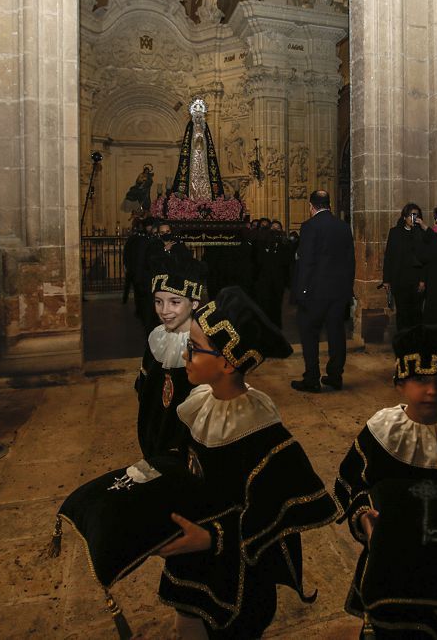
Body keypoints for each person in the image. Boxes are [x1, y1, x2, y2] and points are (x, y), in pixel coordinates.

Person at [156, 286, 339, 639]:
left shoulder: (260, 431)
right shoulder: (200, 401)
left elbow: (274, 511)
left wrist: (212, 536)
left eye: (194, 349)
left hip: (236, 573)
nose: (185, 356)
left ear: (226, 362)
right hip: (190, 559)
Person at [334, 324, 437, 638]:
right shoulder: (382, 432)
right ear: (400, 383)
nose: (431, 391)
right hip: (391, 558)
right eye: (420, 381)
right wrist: (364, 519)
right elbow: (350, 482)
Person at [134, 254, 206, 459]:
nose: (164, 311)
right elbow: (146, 390)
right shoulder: (157, 338)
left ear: (194, 303)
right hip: (155, 441)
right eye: (158, 302)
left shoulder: (204, 347)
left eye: (175, 302)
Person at [291, 190, 355, 392]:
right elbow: (350, 261)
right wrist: (348, 289)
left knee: (309, 333)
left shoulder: (310, 226)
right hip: (338, 292)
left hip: (315, 292)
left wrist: (300, 292)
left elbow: (307, 262)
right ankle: (335, 376)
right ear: (329, 205)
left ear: (312, 206)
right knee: (336, 333)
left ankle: (312, 378)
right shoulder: (343, 227)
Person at [382, 202, 427, 330]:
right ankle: (404, 343)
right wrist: (386, 279)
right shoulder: (395, 232)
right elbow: (389, 256)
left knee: (416, 314)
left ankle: (417, 344)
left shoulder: (422, 234)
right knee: (402, 314)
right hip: (399, 280)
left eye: (417, 216)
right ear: (404, 217)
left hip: (416, 280)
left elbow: (425, 259)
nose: (414, 218)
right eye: (412, 215)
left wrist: (423, 280)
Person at [252, 219, 291, 328]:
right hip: (265, 280)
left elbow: (286, 263)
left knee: (276, 304)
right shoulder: (263, 244)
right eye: (272, 228)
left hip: (278, 280)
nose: (275, 231)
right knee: (265, 304)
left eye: (277, 228)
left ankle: (276, 326)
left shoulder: (284, 244)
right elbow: (258, 261)